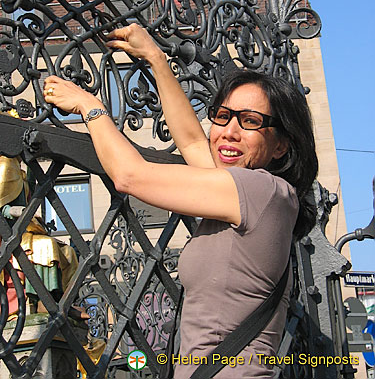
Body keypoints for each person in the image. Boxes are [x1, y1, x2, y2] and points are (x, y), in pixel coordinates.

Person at [43, 23, 318, 378]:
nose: (229, 131)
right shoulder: (256, 195)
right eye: (222, 116)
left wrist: (90, 107)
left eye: (250, 121)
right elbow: (191, 143)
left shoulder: (260, 190)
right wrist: (156, 59)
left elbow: (130, 176)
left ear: (281, 145)